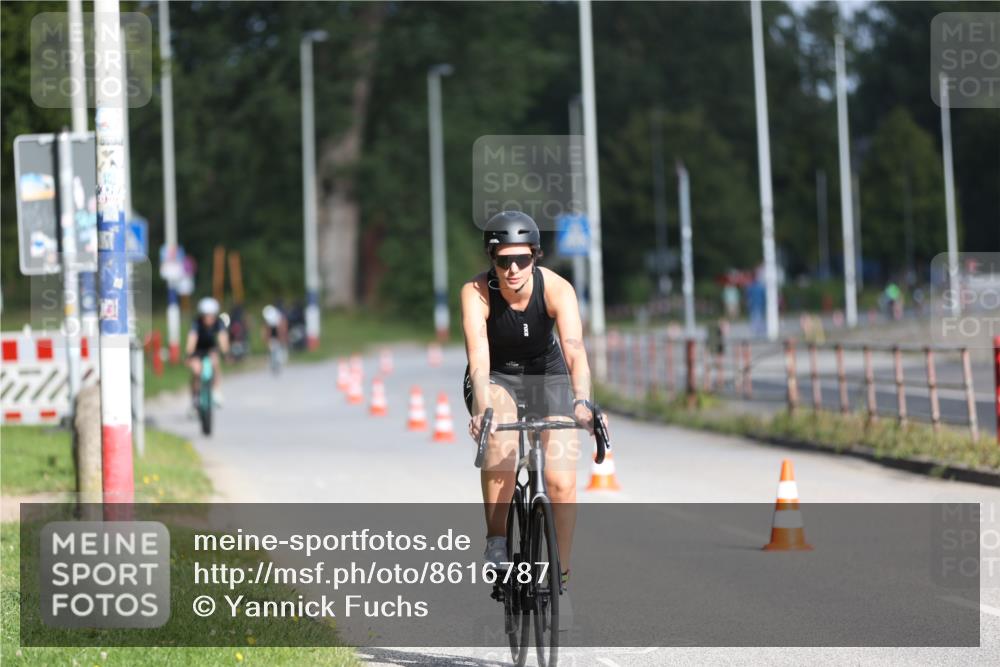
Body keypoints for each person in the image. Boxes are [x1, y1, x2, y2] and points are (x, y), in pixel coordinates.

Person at [461, 210, 607, 599]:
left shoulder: (557, 289)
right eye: (503, 260)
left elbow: (576, 353)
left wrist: (582, 402)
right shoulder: (476, 292)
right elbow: (478, 357)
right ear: (492, 259)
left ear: (535, 256)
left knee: (561, 480)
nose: (512, 269)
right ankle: (496, 541)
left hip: (549, 376)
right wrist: (481, 411)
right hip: (497, 378)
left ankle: (560, 568)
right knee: (501, 443)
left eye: (521, 259)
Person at [186, 297, 229, 407]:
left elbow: (222, 337)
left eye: (211, 315)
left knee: (215, 364)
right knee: (196, 371)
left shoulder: (218, 323)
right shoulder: (196, 323)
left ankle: (216, 391)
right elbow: (192, 338)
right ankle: (195, 397)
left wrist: (225, 352)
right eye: (206, 315)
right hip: (198, 349)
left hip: (211, 349)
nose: (208, 318)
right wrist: (189, 354)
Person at [261, 304, 288, 371]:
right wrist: (267, 341)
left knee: (280, 341)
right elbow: (266, 331)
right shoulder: (267, 320)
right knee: (271, 345)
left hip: (279, 329)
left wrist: (282, 340)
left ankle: (281, 354)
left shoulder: (280, 318)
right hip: (272, 331)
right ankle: (271, 358)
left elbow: (282, 331)